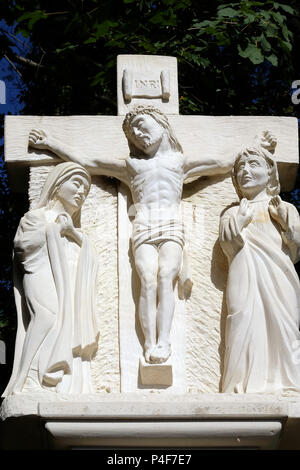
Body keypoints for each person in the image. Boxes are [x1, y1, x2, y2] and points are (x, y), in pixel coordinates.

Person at [28, 105, 233, 364]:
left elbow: (223, 163)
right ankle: (149, 343)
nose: (138, 133)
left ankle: (163, 341)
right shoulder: (132, 166)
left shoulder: (180, 162)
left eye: (142, 124)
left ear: (161, 123)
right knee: (147, 279)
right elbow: (87, 162)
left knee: (166, 277)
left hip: (171, 226)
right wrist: (50, 143)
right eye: (132, 132)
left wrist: (257, 144)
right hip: (144, 228)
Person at [3, 162, 99, 396]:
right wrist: (55, 230)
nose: (81, 193)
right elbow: (23, 247)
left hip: (64, 284)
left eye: (85, 191)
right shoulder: (36, 216)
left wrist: (73, 233)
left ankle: (44, 377)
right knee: (46, 316)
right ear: (57, 184)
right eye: (76, 184)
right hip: (39, 272)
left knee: (57, 319)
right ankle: (23, 380)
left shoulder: (72, 228)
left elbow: (90, 257)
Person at [219, 132, 300, 393]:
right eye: (240, 167)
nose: (246, 171)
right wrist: (239, 222)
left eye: (254, 164)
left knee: (283, 323)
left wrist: (285, 223)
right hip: (244, 274)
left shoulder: (285, 208)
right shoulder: (233, 211)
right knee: (242, 319)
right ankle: (239, 383)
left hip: (280, 275)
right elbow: (228, 244)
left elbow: (296, 247)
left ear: (270, 173)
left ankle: (287, 380)